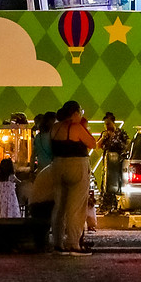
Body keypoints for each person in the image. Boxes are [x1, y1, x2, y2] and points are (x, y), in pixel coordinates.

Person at [49, 100, 94, 255]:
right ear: (74, 113)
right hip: (77, 165)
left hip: (58, 165)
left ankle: (57, 243)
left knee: (59, 206)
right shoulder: (76, 127)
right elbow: (92, 143)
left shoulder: (55, 128)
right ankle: (73, 243)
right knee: (76, 207)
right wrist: (84, 126)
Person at [98, 113, 130, 214]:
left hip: (118, 163)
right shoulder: (105, 133)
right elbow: (97, 146)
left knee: (118, 183)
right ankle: (106, 206)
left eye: (108, 123)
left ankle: (118, 206)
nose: (106, 126)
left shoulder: (120, 133)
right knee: (106, 184)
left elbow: (127, 144)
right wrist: (103, 137)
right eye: (105, 124)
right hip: (108, 163)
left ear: (113, 122)